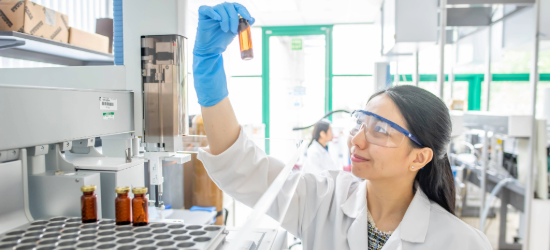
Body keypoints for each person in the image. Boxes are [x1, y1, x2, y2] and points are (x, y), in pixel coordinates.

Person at [192, 3, 492, 250]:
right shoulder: (324, 200)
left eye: (381, 131)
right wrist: (209, 71)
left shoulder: (461, 242)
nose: (357, 141)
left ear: (419, 157)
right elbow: (242, 167)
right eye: (360, 123)